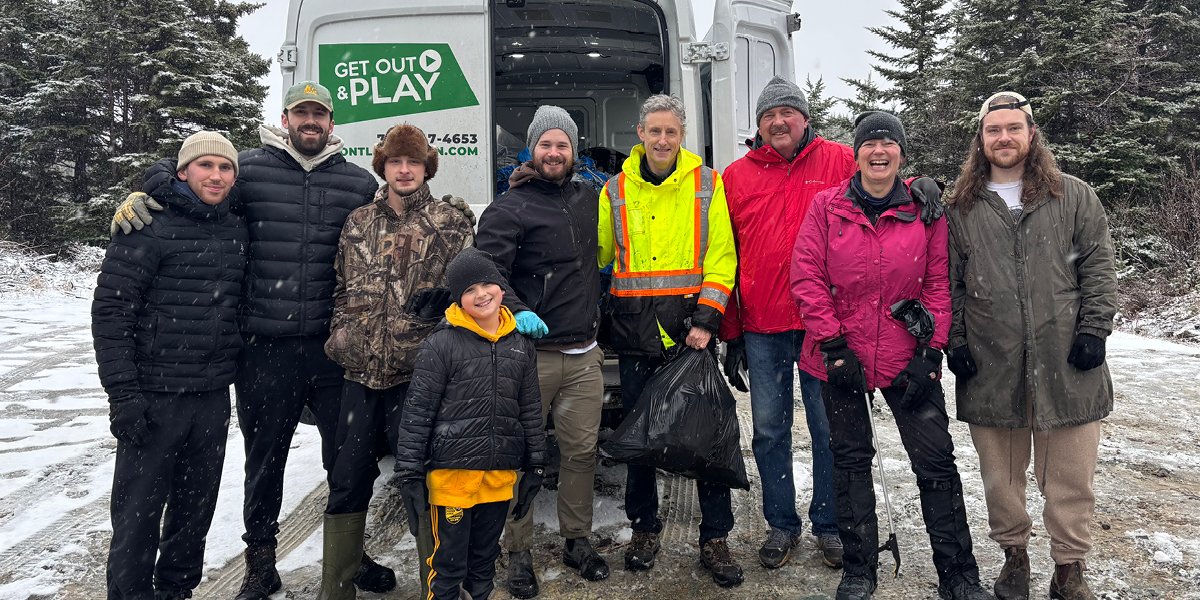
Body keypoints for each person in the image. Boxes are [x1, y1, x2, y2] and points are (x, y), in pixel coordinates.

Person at [109, 81, 395, 599]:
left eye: (319, 114)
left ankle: (351, 556)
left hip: (334, 349)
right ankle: (261, 562)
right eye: (300, 113)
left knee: (347, 460)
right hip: (265, 348)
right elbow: (192, 192)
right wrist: (144, 187)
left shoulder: (357, 183)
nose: (310, 122)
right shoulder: (248, 170)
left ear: (331, 122)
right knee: (266, 461)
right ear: (286, 118)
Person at [790, 111, 993, 600]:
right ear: (856, 152)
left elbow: (940, 286)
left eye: (888, 143)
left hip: (908, 360)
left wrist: (930, 352)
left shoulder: (926, 211)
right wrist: (834, 347)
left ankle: (958, 576)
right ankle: (859, 570)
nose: (878, 151)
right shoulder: (826, 207)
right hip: (839, 358)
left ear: (902, 153)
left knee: (937, 466)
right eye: (869, 143)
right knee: (851, 463)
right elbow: (807, 277)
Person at [946, 92, 1116, 600]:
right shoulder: (962, 208)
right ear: (980, 139)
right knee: (1001, 479)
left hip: (1068, 362)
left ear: (1031, 134)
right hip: (991, 363)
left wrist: (1094, 330)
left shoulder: (1074, 196)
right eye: (993, 129)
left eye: (1013, 128)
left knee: (1071, 477)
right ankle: (1013, 556)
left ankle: (1069, 569)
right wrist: (955, 340)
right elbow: (948, 282)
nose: (1004, 138)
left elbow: (1099, 267)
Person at [317, 123, 475, 598]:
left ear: (427, 167)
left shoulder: (450, 222)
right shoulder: (359, 221)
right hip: (360, 376)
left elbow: (471, 294)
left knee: (426, 484)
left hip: (419, 381)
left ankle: (439, 586)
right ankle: (336, 588)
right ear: (382, 166)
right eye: (395, 161)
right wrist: (341, 333)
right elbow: (342, 286)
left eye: (413, 162)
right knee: (347, 482)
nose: (404, 170)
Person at [92, 132, 247, 600]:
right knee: (137, 519)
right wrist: (123, 396)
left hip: (212, 396)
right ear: (182, 171)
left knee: (193, 516)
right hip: (155, 398)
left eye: (226, 168)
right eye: (205, 166)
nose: (216, 176)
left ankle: (177, 592)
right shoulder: (147, 225)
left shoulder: (236, 227)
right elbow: (111, 313)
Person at [597, 94, 743, 588]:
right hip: (637, 332)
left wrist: (706, 319)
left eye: (671, 132)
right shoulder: (615, 190)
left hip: (691, 332)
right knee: (641, 440)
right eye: (654, 131)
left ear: (682, 137)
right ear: (638, 133)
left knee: (706, 437)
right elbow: (602, 256)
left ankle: (715, 537)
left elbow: (722, 256)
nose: (662, 140)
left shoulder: (706, 184)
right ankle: (644, 527)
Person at [718, 76, 855, 569]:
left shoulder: (840, 160)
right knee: (770, 429)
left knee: (828, 428)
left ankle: (830, 524)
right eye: (768, 115)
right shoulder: (736, 176)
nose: (778, 121)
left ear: (804, 118)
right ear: (758, 125)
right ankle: (781, 524)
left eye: (787, 113)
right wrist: (730, 334)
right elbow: (724, 257)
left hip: (825, 325)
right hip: (762, 324)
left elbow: (886, 186)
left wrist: (920, 186)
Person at [476, 105, 609, 597]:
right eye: (546, 144)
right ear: (531, 148)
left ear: (574, 151)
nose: (554, 153)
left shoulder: (590, 198)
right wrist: (514, 309)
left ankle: (577, 539)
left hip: (585, 353)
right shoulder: (509, 206)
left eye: (563, 144)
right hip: (530, 355)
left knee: (580, 452)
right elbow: (484, 269)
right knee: (522, 456)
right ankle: (518, 553)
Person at [393, 247, 548, 600]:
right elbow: (417, 414)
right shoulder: (442, 345)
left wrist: (536, 466)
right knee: (447, 568)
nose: (481, 295)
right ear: (458, 299)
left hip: (498, 478)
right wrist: (409, 474)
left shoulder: (520, 346)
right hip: (452, 481)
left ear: (500, 287)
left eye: (487, 284)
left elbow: (529, 410)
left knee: (483, 563)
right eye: (469, 290)